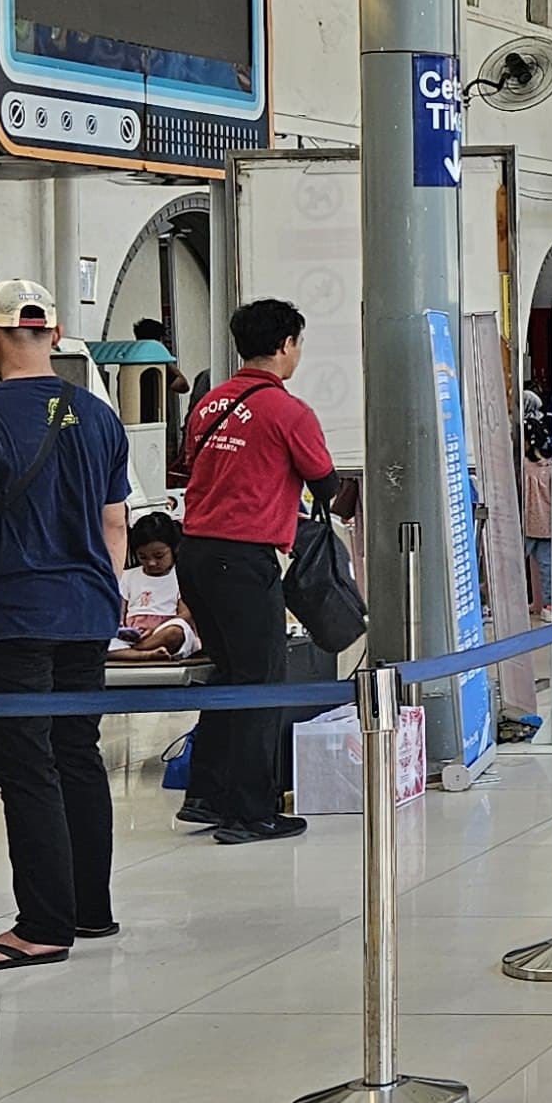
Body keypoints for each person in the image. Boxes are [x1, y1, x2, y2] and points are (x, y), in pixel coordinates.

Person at [0, 275, 132, 969]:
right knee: (77, 754)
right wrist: (103, 599)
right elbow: (114, 522)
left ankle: (43, 924)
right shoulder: (99, 415)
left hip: (9, 617)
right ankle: (88, 907)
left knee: (26, 766)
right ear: (51, 333)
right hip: (85, 612)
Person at [178, 298, 333, 848]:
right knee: (261, 681)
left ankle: (207, 793)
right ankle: (250, 812)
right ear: (287, 344)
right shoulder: (288, 412)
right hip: (243, 561)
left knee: (228, 675)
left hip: (193, 554)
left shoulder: (209, 404)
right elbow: (329, 488)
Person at [117, 514, 197, 657]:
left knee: (176, 632)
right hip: (132, 635)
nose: (151, 563)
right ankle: (144, 653)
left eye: (159, 556)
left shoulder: (181, 575)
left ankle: (132, 653)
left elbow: (185, 615)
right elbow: (119, 612)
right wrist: (125, 631)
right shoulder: (128, 576)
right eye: (143, 557)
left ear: (174, 549)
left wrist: (155, 631)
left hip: (164, 630)